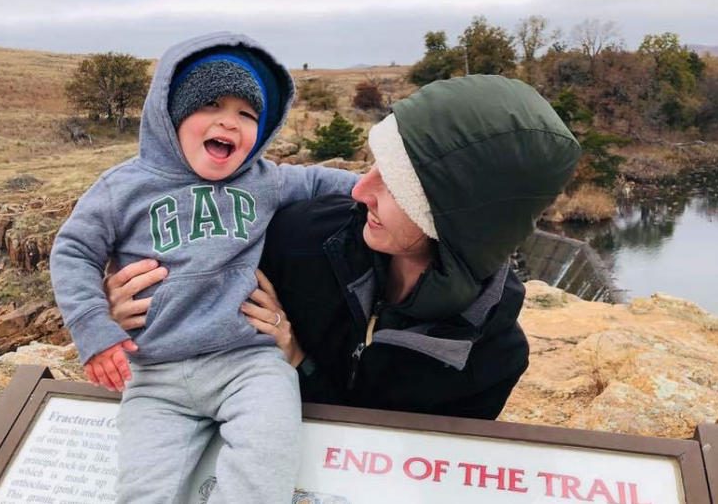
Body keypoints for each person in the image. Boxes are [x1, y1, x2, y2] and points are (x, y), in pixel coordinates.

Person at [105, 74, 581, 420]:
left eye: (393, 183)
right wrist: (131, 294)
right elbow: (199, 256)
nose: (359, 190)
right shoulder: (301, 237)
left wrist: (297, 360)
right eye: (372, 165)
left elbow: (401, 465)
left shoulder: (490, 357)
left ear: (461, 215)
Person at [49, 31, 357, 504]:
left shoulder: (264, 180)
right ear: (169, 114)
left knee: (262, 468)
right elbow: (73, 251)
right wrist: (94, 329)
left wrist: (382, 187)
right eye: (209, 105)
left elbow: (321, 180)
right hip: (154, 376)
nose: (228, 123)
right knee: (144, 489)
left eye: (247, 114)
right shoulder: (122, 186)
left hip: (248, 363)